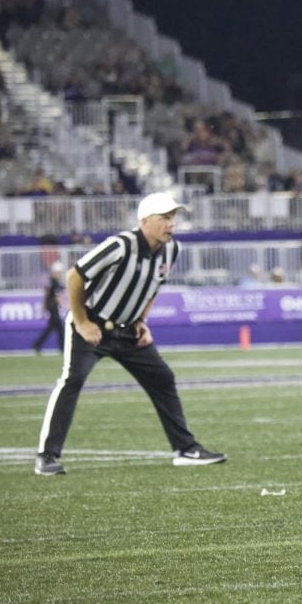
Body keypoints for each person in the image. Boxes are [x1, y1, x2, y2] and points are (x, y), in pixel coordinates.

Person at [34, 192, 226, 475]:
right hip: (93, 325)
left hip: (127, 330)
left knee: (162, 378)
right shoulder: (121, 245)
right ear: (145, 221)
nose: (170, 224)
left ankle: (185, 449)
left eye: (173, 218)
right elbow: (76, 275)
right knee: (72, 380)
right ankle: (47, 456)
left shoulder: (172, 250)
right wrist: (82, 321)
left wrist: (141, 320)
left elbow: (154, 285)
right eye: (164, 218)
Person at [32, 261, 66, 354]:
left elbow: (46, 295)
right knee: (58, 328)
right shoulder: (55, 283)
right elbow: (57, 297)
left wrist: (44, 306)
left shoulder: (50, 281)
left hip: (50, 306)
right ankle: (62, 347)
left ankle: (37, 345)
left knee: (53, 328)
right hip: (53, 307)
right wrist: (65, 307)